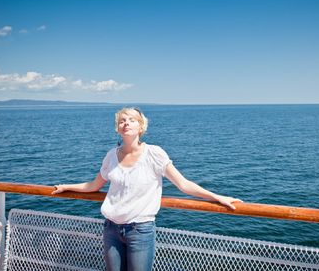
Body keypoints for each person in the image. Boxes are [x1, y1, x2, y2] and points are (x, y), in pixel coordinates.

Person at [52, 107, 241, 271]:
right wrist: (66, 186)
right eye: (122, 121)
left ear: (141, 127)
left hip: (139, 231)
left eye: (131, 120)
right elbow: (94, 185)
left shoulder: (154, 154)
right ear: (117, 128)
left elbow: (183, 184)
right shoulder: (111, 156)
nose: (126, 123)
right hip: (111, 229)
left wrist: (217, 197)